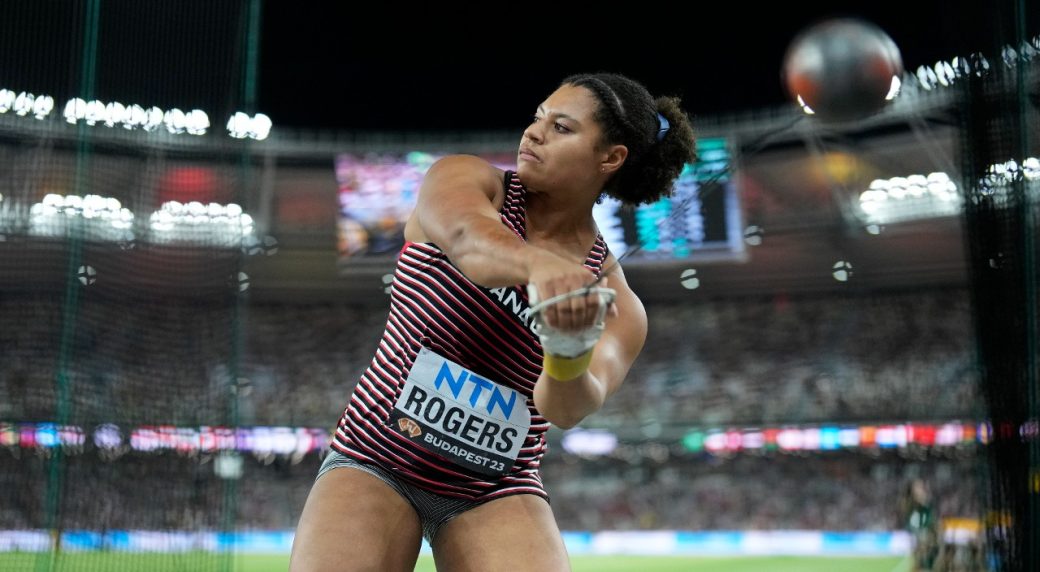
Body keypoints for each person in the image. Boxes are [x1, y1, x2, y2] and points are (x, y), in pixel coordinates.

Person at [289, 72, 696, 572]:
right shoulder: (469, 181)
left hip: (494, 486)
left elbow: (568, 408)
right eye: (537, 117)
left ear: (610, 158)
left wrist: (567, 352)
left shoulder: (619, 305)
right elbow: (467, 239)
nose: (534, 132)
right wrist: (540, 266)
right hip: (377, 455)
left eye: (562, 128)